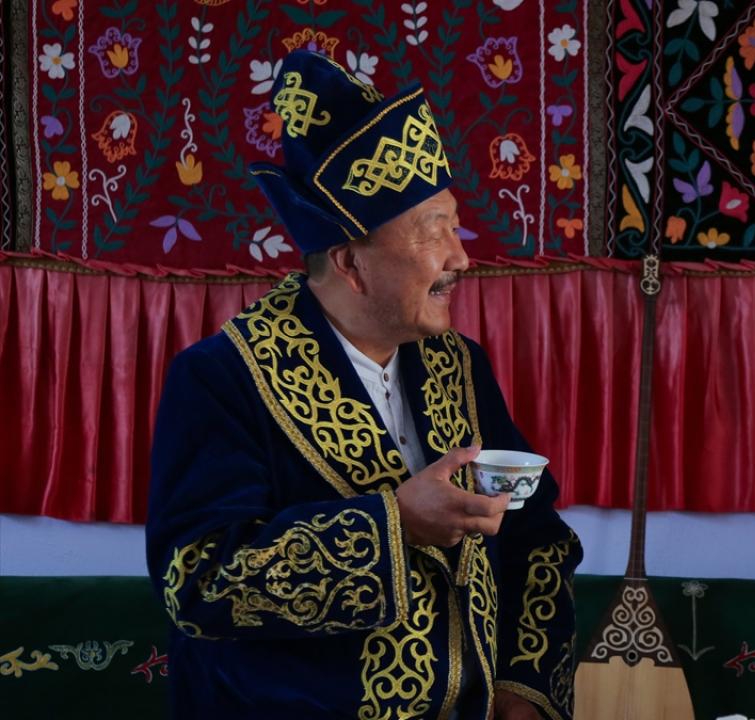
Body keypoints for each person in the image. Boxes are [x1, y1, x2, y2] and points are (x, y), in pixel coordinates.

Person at [145, 50, 582, 720]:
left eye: (454, 224)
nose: (461, 256)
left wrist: (525, 687)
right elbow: (198, 581)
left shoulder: (458, 365)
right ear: (351, 262)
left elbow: (537, 537)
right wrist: (395, 525)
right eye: (433, 232)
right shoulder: (221, 378)